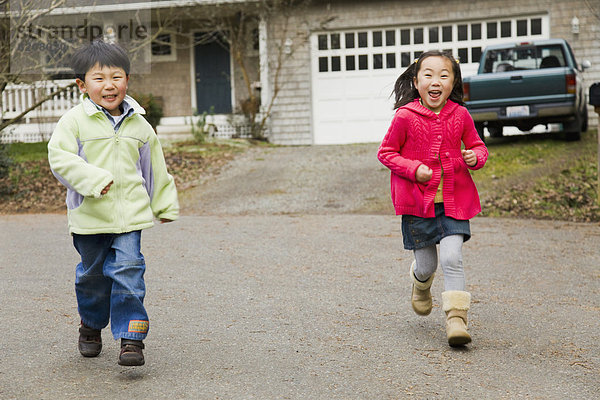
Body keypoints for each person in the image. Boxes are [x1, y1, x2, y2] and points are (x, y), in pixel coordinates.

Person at [48, 40, 179, 366]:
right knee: (92, 279)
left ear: (127, 80)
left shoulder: (139, 124)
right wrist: (92, 181)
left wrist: (163, 203)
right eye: (99, 78)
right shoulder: (74, 122)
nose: (109, 85)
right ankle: (91, 325)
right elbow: (59, 159)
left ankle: (131, 338)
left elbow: (154, 167)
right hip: (90, 219)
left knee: (129, 270)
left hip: (129, 217)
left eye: (117, 77)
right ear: (82, 85)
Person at [377, 51, 488, 346]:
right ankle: (421, 284)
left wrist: (473, 156)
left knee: (452, 258)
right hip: (418, 205)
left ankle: (456, 320)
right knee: (427, 265)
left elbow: (479, 147)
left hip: (454, 202)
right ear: (416, 81)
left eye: (443, 75)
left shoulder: (460, 115)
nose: (435, 81)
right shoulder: (405, 117)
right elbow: (386, 153)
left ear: (453, 83)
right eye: (428, 75)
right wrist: (414, 169)